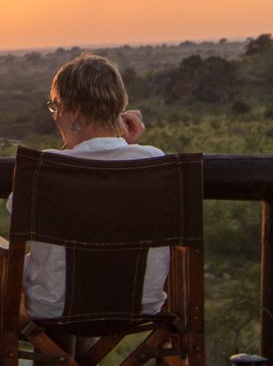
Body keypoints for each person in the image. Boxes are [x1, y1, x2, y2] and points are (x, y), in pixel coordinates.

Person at [20, 51, 169, 321]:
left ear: (74, 113)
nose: (55, 117)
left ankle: (41, 361)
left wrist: (72, 144)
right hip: (141, 305)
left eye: (56, 108)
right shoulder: (155, 163)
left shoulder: (47, 169)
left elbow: (19, 217)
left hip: (54, 308)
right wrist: (126, 144)